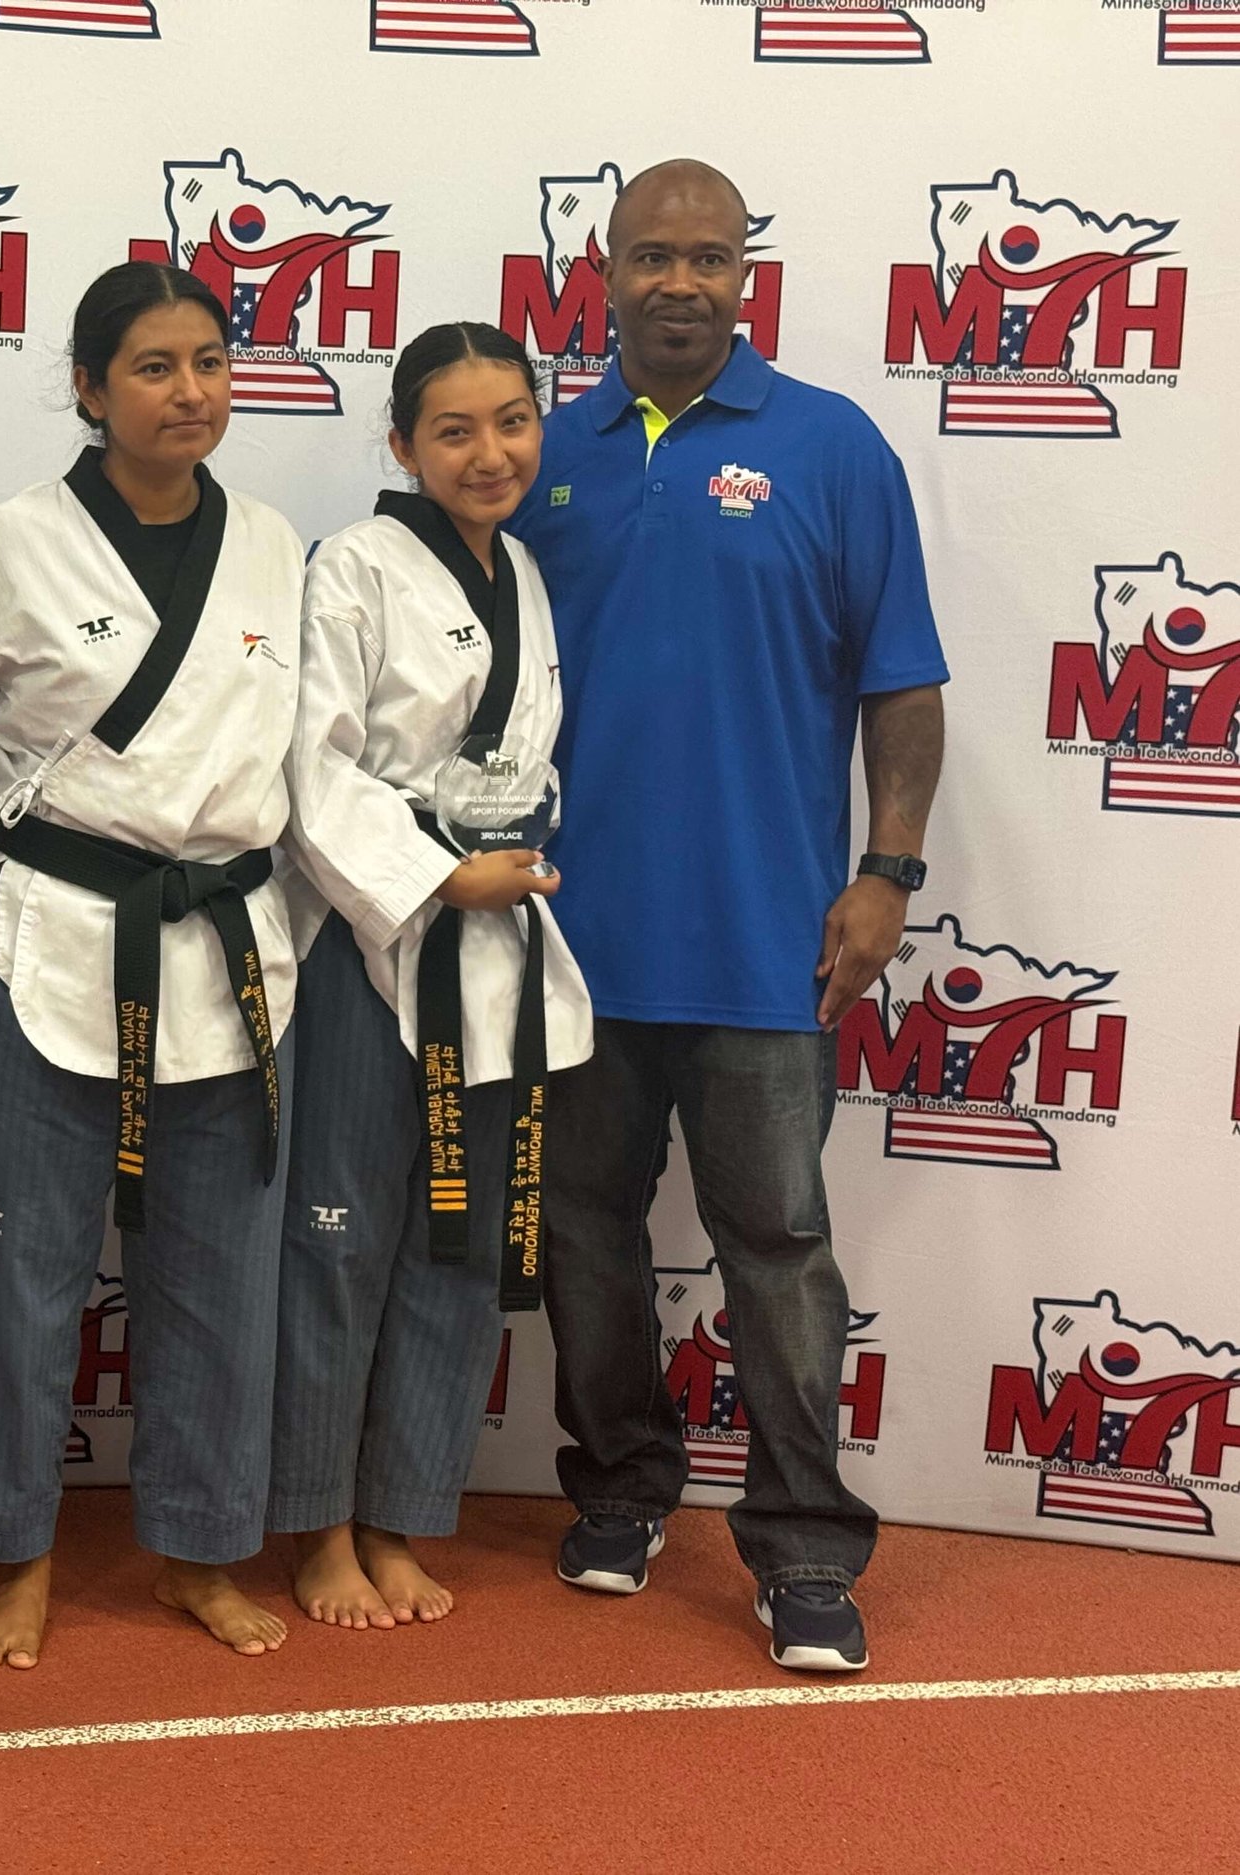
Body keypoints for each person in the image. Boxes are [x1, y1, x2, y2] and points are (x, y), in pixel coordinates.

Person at [508, 159, 946, 1674]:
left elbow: (904, 683)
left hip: (771, 943)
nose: (679, 282)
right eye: (652, 257)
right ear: (603, 269)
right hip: (574, 943)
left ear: (747, 273)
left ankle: (806, 1549)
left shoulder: (832, 447)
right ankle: (622, 1489)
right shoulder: (540, 453)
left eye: (709, 257)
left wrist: (888, 871)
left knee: (779, 1248)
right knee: (586, 1235)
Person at [0, 262, 305, 1667]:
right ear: (87, 388)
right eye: (151, 366)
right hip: (53, 936)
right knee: (18, 1261)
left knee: (219, 1263)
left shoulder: (271, 541)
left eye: (209, 361)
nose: (189, 390)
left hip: (229, 948)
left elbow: (295, 762)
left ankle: (200, 1550)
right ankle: (13, 1552)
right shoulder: (10, 540)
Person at [272, 322, 592, 1631]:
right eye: (453, 430)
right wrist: (433, 874)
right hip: (374, 935)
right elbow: (311, 762)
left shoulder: (523, 570)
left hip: (496, 944)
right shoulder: (350, 568)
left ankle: (405, 1513)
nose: (489, 451)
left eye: (513, 421)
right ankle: (316, 1526)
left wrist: (498, 863)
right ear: (400, 443)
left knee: (460, 1241)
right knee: (339, 1238)